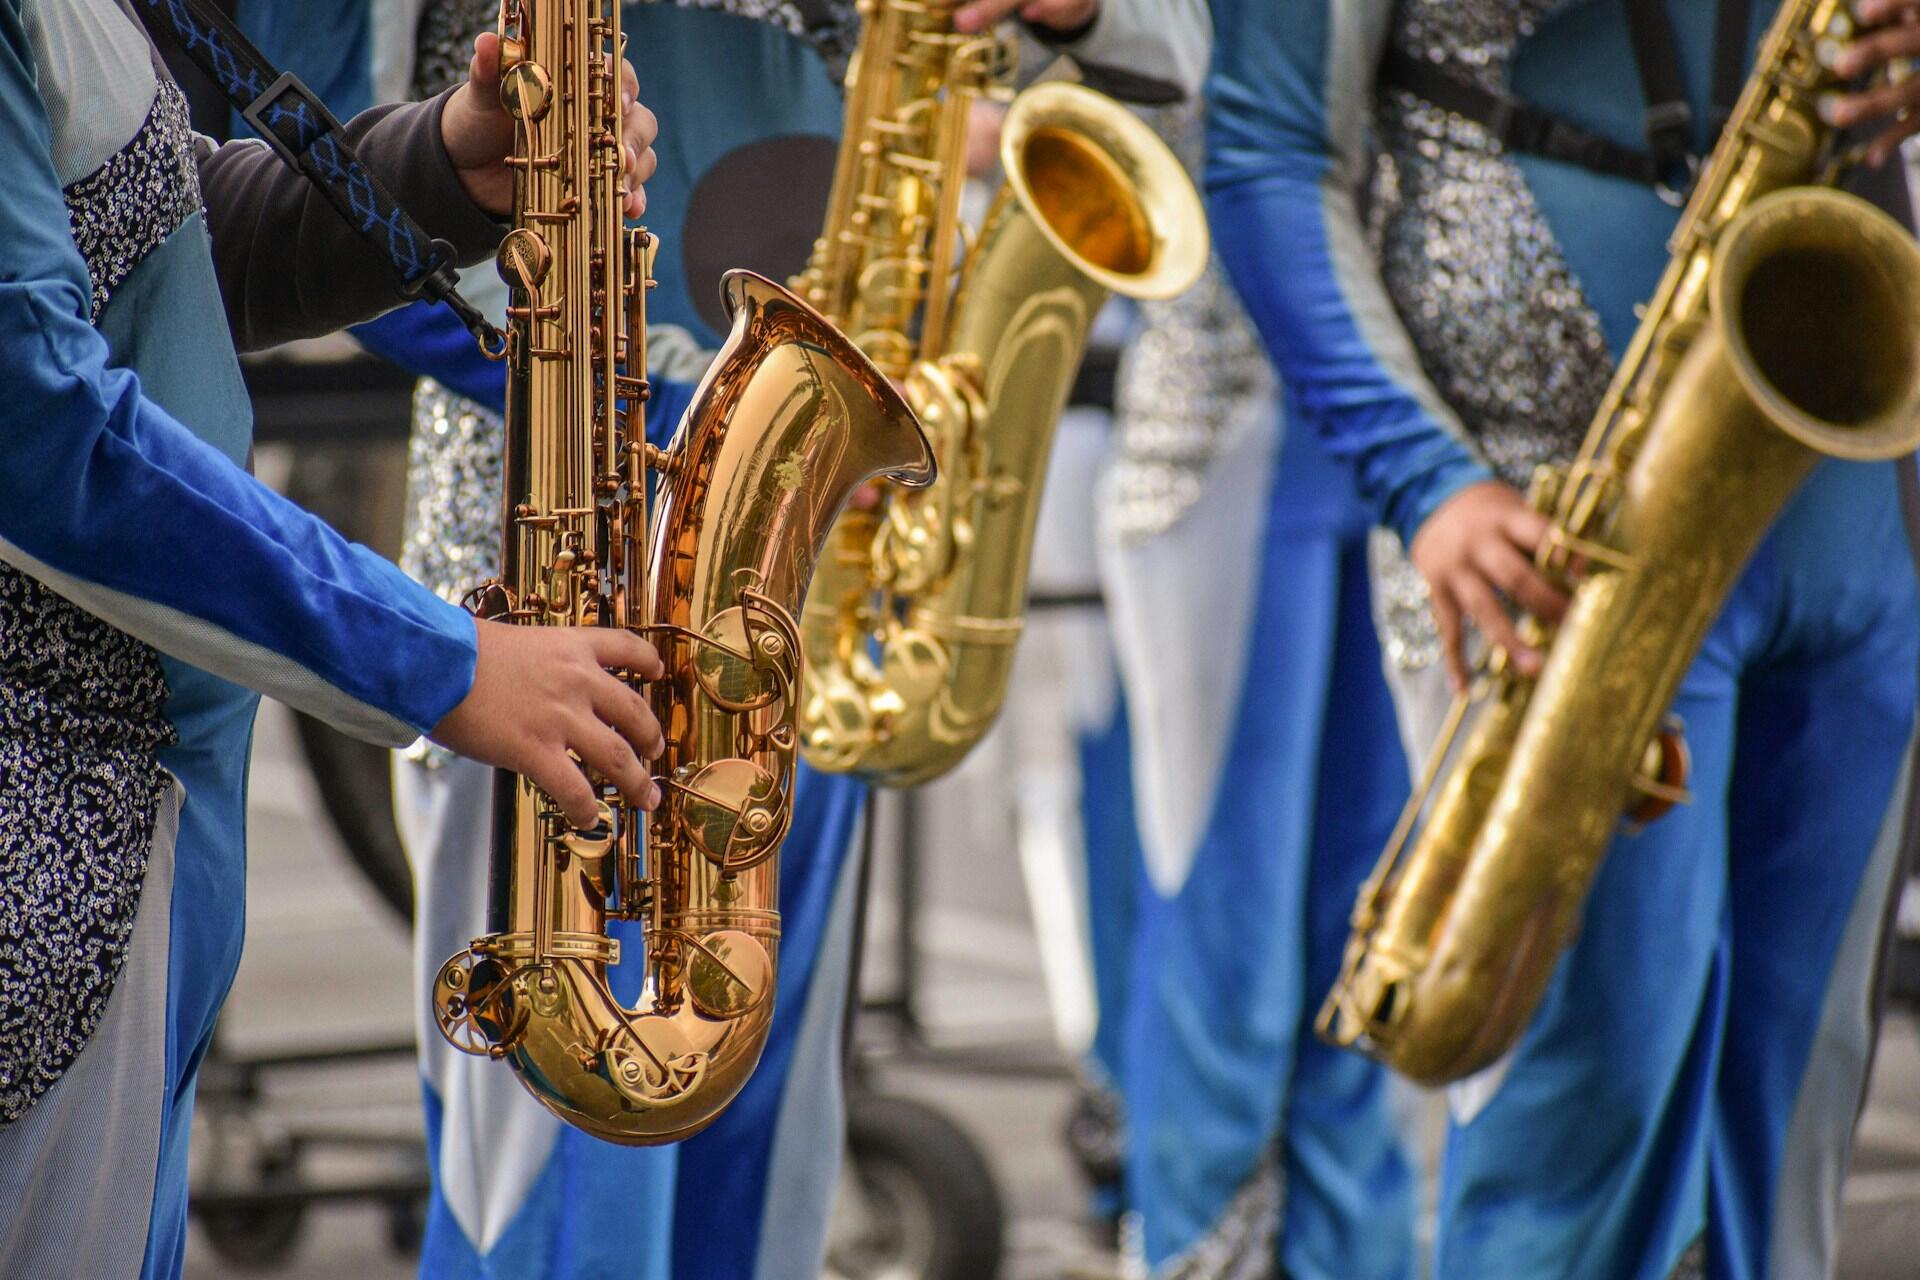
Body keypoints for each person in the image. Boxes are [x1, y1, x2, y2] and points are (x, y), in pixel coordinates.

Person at [278, 2, 1215, 1276]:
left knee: (760, 1196)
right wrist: (715, 415)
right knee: (559, 1212)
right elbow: (313, 167)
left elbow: (1177, 52)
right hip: (558, 593)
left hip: (793, 576)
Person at [1208, 1, 1920, 1276]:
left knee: (1796, 1131)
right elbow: (1264, 147)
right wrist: (1421, 478)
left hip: (1855, 514)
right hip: (1542, 543)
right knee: (1579, 1140)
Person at [0, 3, 662, 1278]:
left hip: (115, 809)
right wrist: (440, 661)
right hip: (44, 840)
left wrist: (438, 173)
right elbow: (39, 437)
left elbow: (153, 226)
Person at [1094, 97, 1416, 1280]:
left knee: (1376, 927)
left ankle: (1353, 1250)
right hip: (1214, 448)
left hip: (1408, 460)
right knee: (1223, 923)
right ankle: (1194, 1246)